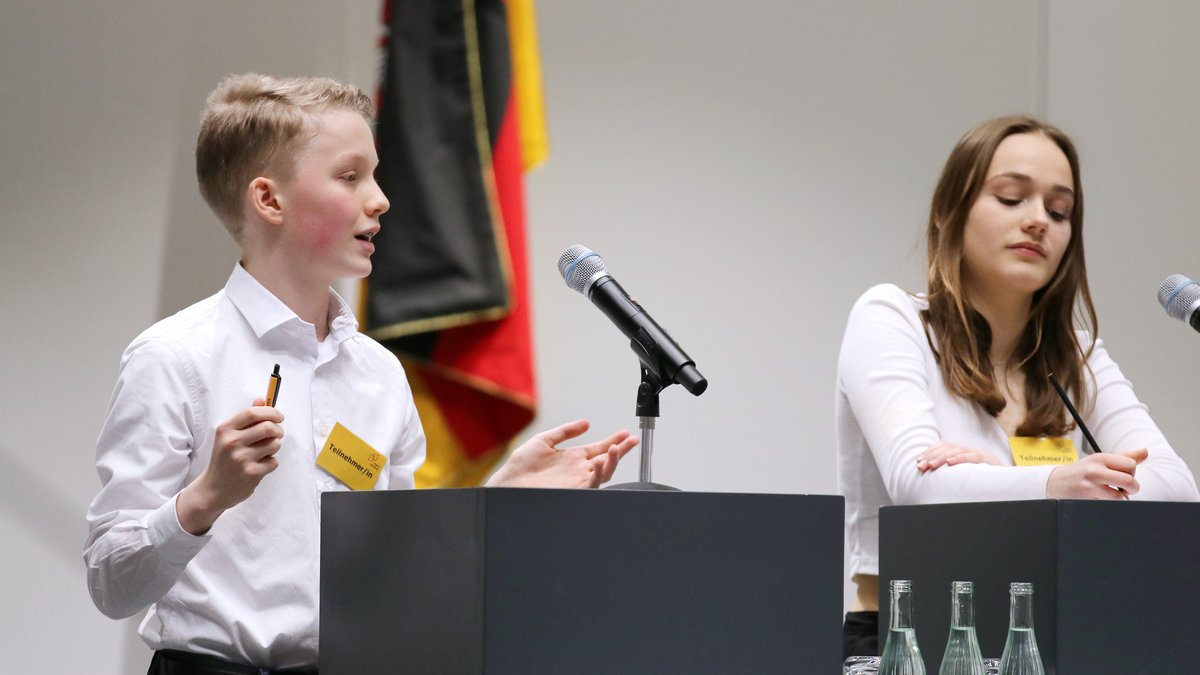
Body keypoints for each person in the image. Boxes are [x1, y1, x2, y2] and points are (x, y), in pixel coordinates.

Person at [83, 73, 638, 674]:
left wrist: (498, 499)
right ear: (269, 201)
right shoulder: (172, 358)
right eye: (350, 177)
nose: (381, 199)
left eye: (374, 174)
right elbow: (111, 583)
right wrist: (204, 500)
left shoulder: (379, 373)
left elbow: (398, 566)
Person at [836, 116, 1200, 658]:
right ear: (947, 211)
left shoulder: (1077, 353)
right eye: (1010, 198)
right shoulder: (892, 317)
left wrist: (995, 476)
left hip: (1052, 632)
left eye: (1059, 211)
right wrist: (1062, 482)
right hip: (908, 638)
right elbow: (921, 489)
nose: (1038, 222)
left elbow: (1175, 486)